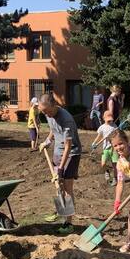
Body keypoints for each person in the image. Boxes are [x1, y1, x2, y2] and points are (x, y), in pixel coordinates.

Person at [38, 94, 82, 234]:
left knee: (67, 188)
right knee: (58, 185)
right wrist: (47, 141)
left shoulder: (66, 119)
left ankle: (68, 223)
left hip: (71, 154)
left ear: (54, 105)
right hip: (58, 151)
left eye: (46, 111)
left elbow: (68, 146)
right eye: (43, 111)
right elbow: (53, 129)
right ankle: (61, 212)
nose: (45, 114)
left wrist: (61, 169)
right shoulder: (48, 114)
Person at [91, 111, 118, 186]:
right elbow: (99, 136)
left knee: (115, 165)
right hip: (105, 148)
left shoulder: (114, 126)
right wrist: (94, 143)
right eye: (108, 119)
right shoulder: (102, 127)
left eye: (111, 119)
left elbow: (117, 136)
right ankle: (107, 171)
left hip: (113, 148)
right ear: (104, 118)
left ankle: (115, 179)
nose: (110, 121)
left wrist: (112, 136)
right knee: (103, 164)